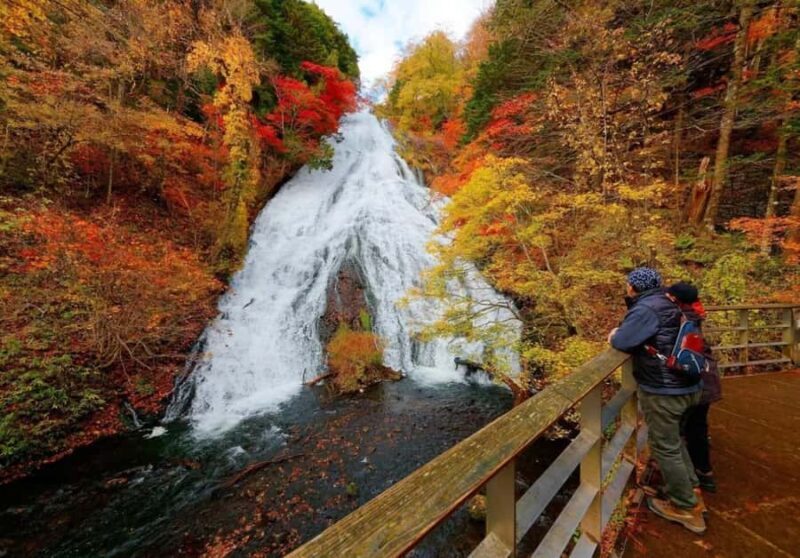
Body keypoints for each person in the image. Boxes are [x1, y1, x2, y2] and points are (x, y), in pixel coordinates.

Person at [608, 267, 706, 534]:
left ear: (633, 287)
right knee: (673, 440)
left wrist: (615, 335)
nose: (626, 287)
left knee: (665, 445)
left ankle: (686, 508)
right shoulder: (672, 302)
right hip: (690, 384)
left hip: (665, 389)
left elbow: (624, 341)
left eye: (628, 284)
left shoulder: (647, 308)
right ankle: (692, 491)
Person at [667, 281, 722, 493]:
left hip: (695, 381)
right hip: (707, 378)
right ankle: (703, 473)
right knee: (697, 427)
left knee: (681, 428)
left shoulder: (679, 318)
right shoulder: (694, 315)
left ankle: (687, 484)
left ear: (674, 299)